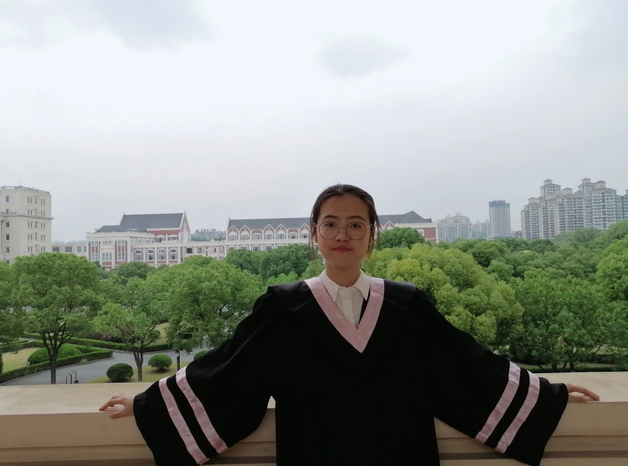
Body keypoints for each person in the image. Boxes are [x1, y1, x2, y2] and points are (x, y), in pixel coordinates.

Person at [100, 184, 599, 466]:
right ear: (313, 235)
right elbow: (229, 373)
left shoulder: (406, 306)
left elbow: (466, 367)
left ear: (371, 236)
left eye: (356, 224)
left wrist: (545, 394)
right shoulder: (283, 308)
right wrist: (149, 404)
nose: (343, 233)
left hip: (401, 458)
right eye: (331, 224)